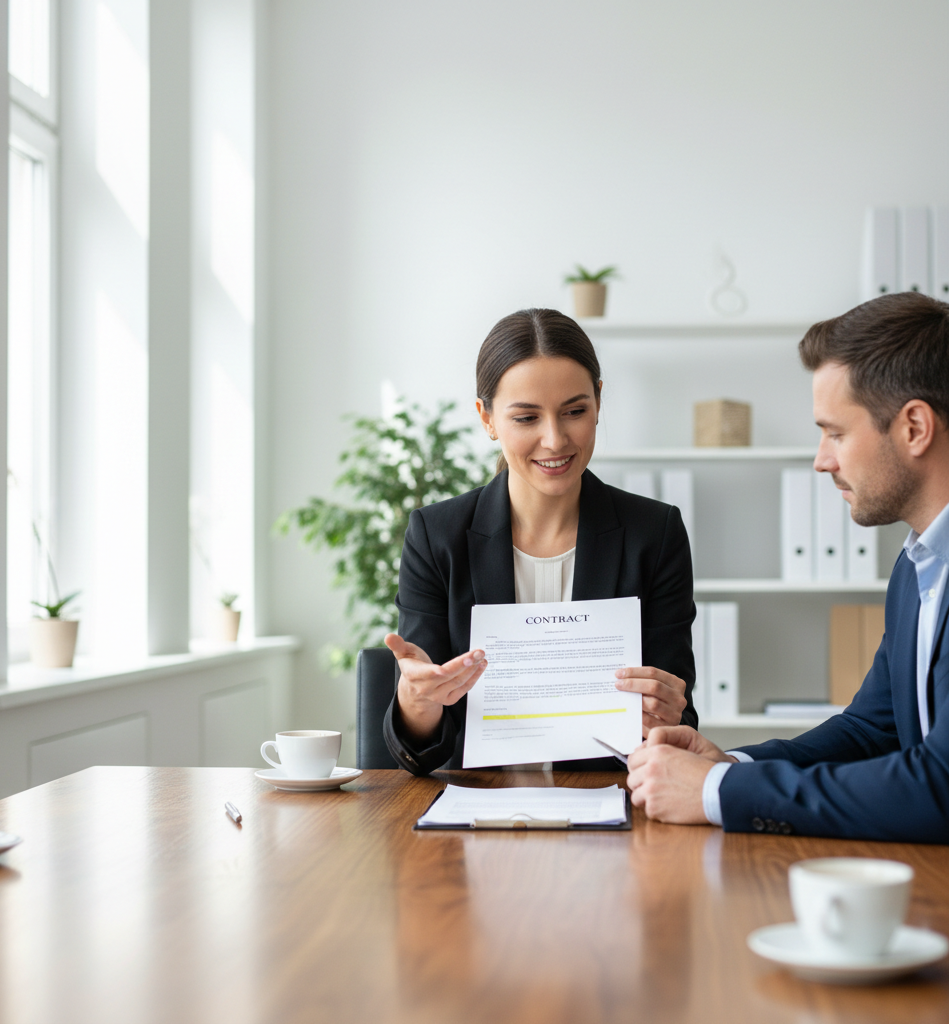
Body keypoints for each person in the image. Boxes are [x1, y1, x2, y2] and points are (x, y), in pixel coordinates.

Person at [627, 291, 949, 843]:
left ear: (914, 427)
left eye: (837, 432)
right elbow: (874, 729)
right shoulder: (918, 565)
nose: (822, 459)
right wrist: (730, 766)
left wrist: (714, 794)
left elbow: (940, 786)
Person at [383, 308, 698, 775]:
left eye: (575, 411)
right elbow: (421, 751)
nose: (555, 439)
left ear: (598, 402)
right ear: (487, 419)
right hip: (476, 811)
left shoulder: (654, 534)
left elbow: (680, 717)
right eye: (527, 417)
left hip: (607, 807)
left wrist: (664, 714)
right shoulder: (437, 537)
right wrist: (418, 701)